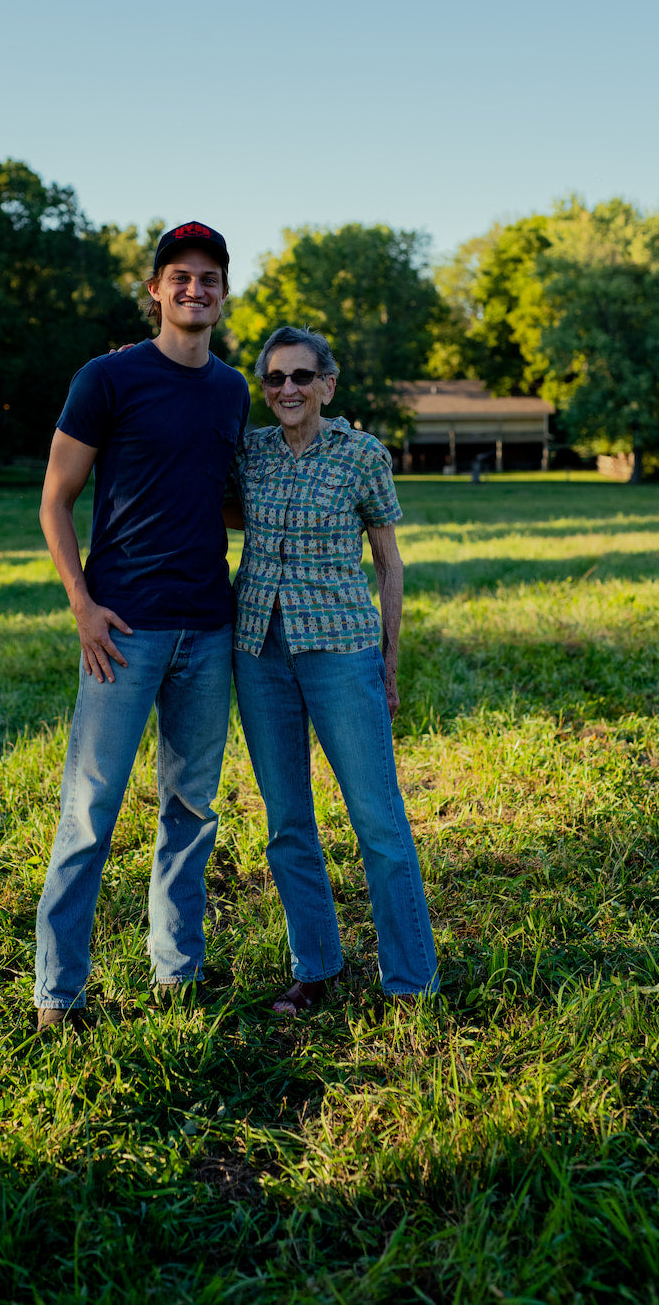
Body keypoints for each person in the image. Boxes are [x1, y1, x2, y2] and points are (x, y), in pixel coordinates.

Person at [34, 222, 251, 1028]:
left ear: (223, 296)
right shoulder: (107, 378)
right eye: (181, 276)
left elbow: (221, 498)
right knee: (90, 813)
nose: (196, 289)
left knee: (191, 808)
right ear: (157, 289)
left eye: (210, 278)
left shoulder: (232, 391)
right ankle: (59, 996)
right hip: (122, 628)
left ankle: (178, 972)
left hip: (209, 624)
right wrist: (83, 607)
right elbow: (55, 500)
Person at [230, 325, 439, 1014]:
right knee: (288, 821)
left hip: (342, 652)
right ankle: (315, 969)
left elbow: (389, 562)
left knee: (377, 819)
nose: (286, 389)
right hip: (259, 651)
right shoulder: (251, 453)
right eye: (274, 378)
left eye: (300, 376)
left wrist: (388, 661)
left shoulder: (362, 456)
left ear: (327, 384)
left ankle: (410, 982)